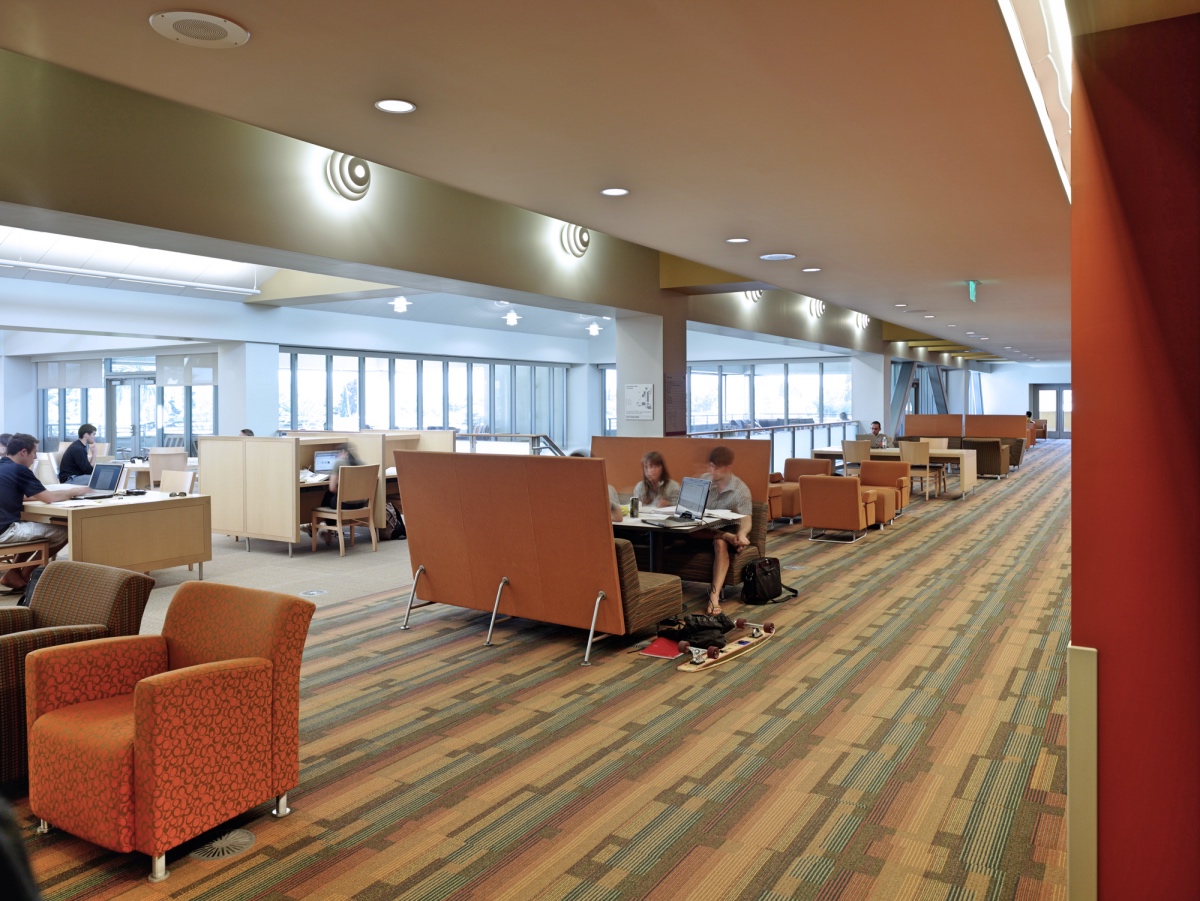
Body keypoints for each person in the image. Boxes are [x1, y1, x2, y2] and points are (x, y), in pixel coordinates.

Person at [0, 434, 92, 590]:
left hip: (4, 527)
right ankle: (25, 573)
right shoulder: (20, 470)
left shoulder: (3, 466)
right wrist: (74, 491)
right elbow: (49, 498)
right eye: (34, 453)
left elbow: (16, 495)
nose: (35, 458)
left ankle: (14, 573)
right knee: (67, 530)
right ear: (24, 452)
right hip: (5, 531)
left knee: (34, 526)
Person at [697, 445, 753, 615]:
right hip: (699, 529)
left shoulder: (740, 489)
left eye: (717, 468)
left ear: (728, 468)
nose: (713, 471)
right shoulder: (704, 480)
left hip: (722, 528)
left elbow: (746, 518)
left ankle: (713, 598)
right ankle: (729, 537)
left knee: (720, 543)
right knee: (689, 528)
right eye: (711, 466)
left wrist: (742, 534)